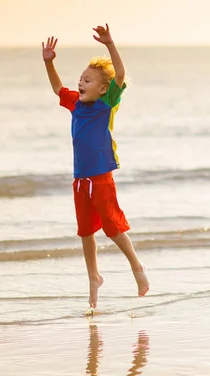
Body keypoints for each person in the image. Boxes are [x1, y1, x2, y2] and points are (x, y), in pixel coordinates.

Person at [42, 24, 149, 308]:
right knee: (86, 231)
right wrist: (49, 62)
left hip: (101, 178)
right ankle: (94, 277)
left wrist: (110, 44)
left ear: (102, 88)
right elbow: (56, 88)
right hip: (80, 180)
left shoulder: (106, 104)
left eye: (88, 80)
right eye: (81, 79)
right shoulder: (75, 103)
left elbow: (121, 75)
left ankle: (136, 267)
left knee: (112, 228)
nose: (81, 83)